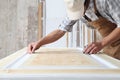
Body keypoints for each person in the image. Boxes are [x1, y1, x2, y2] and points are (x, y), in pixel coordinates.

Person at [28, 0, 120, 59]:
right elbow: (60, 30)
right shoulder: (74, 5)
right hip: (111, 42)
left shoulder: (105, 1)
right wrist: (39, 43)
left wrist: (101, 43)